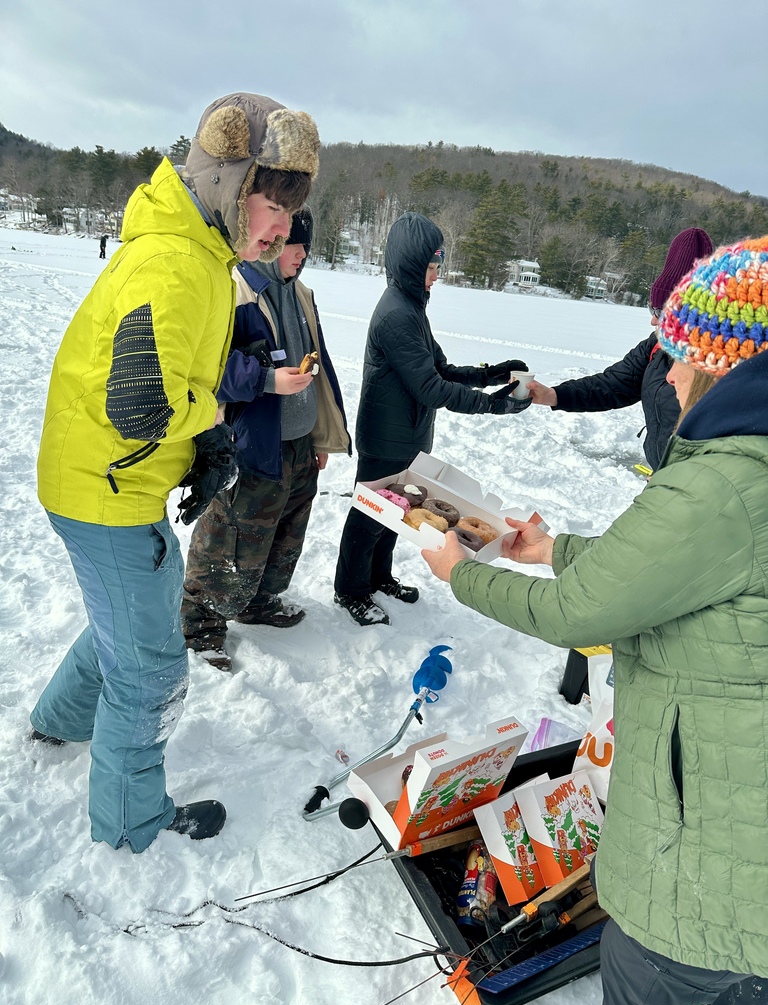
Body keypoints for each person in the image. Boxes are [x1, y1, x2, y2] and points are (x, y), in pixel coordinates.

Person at [422, 235, 768, 1005]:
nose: (668, 373)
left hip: (718, 862)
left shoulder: (726, 480)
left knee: (649, 984)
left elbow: (582, 613)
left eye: (683, 355)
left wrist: (463, 574)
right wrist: (557, 549)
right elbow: (684, 566)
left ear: (728, 368)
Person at [30, 93, 320, 853]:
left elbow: (160, 383)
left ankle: (58, 722)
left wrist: (201, 438)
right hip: (107, 486)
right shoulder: (176, 263)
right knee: (154, 668)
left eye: (292, 208)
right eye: (274, 201)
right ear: (231, 185)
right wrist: (213, 424)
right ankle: (131, 825)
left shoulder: (197, 254)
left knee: (135, 623)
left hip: (112, 478)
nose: (284, 225)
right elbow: (137, 403)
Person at [333, 211, 531, 626]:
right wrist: (495, 406)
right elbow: (432, 389)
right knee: (370, 515)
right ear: (409, 264)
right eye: (431, 266)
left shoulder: (411, 309)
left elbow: (439, 368)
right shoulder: (397, 315)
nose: (437, 275)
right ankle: (350, 590)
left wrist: (490, 374)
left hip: (408, 435)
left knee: (397, 511)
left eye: (439, 265)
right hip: (385, 437)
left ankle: (379, 577)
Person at [181, 207, 350, 670]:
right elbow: (211, 368)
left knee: (284, 535)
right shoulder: (236, 289)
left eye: (305, 247)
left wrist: (318, 437)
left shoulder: (301, 294)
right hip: (251, 441)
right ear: (272, 242)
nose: (301, 256)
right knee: (232, 536)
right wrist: (266, 380)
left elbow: (317, 366)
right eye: (294, 245)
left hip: (297, 443)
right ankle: (199, 624)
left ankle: (258, 602)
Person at [527, 227, 714, 470]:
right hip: (666, 478)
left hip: (698, 490)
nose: (653, 321)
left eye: (660, 313)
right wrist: (554, 395)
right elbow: (613, 384)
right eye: (652, 310)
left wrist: (679, 481)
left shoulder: (720, 365)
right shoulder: (656, 346)